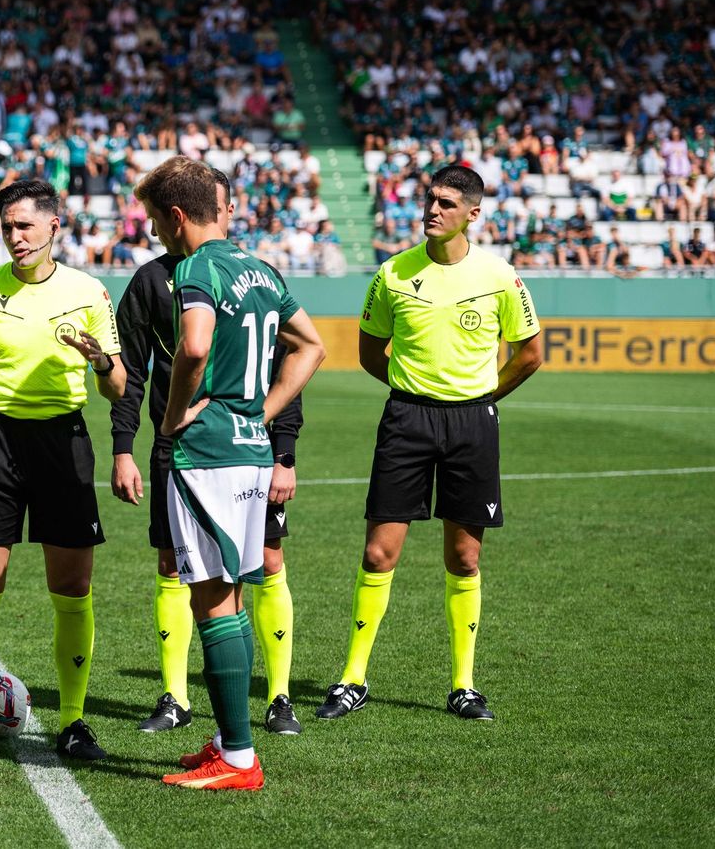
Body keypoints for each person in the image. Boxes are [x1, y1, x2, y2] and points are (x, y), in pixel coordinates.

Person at [317, 164, 543, 724]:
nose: (432, 210)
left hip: (473, 424)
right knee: (378, 553)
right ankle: (352, 679)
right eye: (429, 200)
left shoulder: (500, 276)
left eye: (446, 203)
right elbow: (370, 351)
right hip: (407, 421)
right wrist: (410, 391)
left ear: (473, 213)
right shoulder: (393, 274)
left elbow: (531, 353)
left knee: (464, 556)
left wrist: (485, 394)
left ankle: (463, 685)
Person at [130, 156, 326, 791]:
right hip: (251, 449)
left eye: (158, 221)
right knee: (235, 596)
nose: (158, 233)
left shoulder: (196, 268)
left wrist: (173, 415)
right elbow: (312, 345)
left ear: (178, 215)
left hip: (207, 456)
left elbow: (192, 345)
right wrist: (263, 412)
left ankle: (238, 757)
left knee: (211, 601)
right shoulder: (260, 268)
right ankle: (227, 736)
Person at [0, 178, 127, 764]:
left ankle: (74, 720)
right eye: (6, 227)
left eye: (25, 226)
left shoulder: (88, 292)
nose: (15, 237)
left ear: (55, 226)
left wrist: (98, 359)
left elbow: (117, 384)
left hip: (63, 440)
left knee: (72, 587)